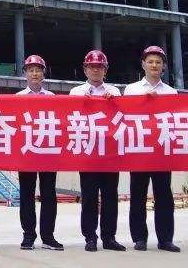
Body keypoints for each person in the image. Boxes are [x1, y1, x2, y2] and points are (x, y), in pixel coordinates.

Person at [124, 45, 179, 252]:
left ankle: (165, 239)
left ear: (163, 66)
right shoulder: (132, 90)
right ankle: (139, 238)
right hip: (139, 149)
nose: (154, 65)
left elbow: (176, 119)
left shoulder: (171, 92)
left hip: (162, 150)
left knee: (164, 196)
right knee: (138, 195)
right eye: (150, 61)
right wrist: (143, 101)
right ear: (143, 65)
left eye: (158, 62)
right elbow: (125, 116)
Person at [69, 49, 124, 252]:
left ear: (105, 70)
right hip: (88, 152)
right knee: (89, 196)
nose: (95, 70)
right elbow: (70, 118)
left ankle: (109, 237)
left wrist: (113, 103)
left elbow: (122, 117)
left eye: (99, 67)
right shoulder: (76, 92)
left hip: (109, 152)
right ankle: (90, 237)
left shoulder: (114, 92)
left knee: (110, 196)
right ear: (85, 69)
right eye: (91, 67)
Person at [16, 54, 63, 251]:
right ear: (25, 74)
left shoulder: (52, 98)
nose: (34, 74)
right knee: (26, 194)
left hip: (48, 152)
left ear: (44, 74)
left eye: (38, 70)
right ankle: (28, 235)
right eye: (31, 70)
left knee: (48, 194)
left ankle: (48, 236)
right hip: (27, 152)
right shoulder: (17, 98)